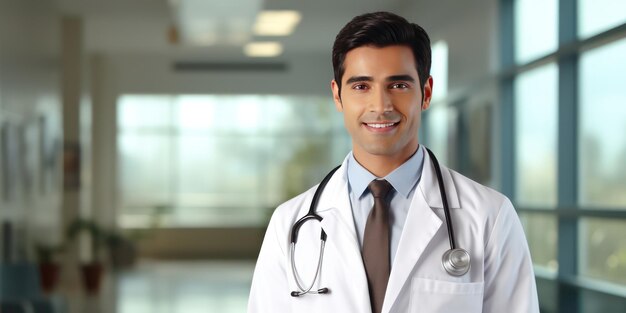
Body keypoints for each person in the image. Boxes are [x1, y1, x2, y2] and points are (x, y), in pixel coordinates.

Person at [248, 11, 539, 313]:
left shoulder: (489, 216)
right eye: (361, 87)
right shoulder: (289, 224)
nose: (381, 106)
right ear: (338, 96)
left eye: (398, 85)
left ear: (425, 93)